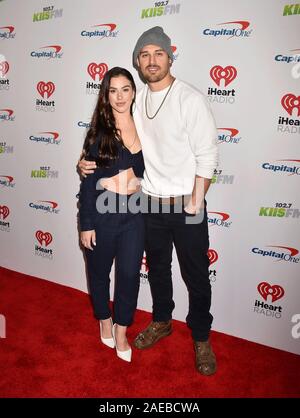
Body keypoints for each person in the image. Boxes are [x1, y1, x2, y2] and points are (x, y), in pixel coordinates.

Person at [79, 27, 219, 375]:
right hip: (149, 204)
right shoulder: (136, 99)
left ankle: (201, 337)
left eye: (158, 53)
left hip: (186, 204)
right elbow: (110, 138)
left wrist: (195, 202)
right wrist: (84, 165)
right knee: (157, 270)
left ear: (170, 56)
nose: (151, 61)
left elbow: (207, 156)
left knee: (196, 274)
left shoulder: (190, 99)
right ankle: (161, 320)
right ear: (138, 62)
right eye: (144, 55)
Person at [78, 67, 145, 363]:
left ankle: (121, 329)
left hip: (136, 214)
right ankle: (104, 318)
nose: (119, 96)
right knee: (99, 272)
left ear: (134, 91)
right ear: (106, 95)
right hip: (103, 214)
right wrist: (87, 225)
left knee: (130, 275)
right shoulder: (98, 132)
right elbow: (89, 183)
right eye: (113, 90)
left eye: (125, 89)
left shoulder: (146, 125)